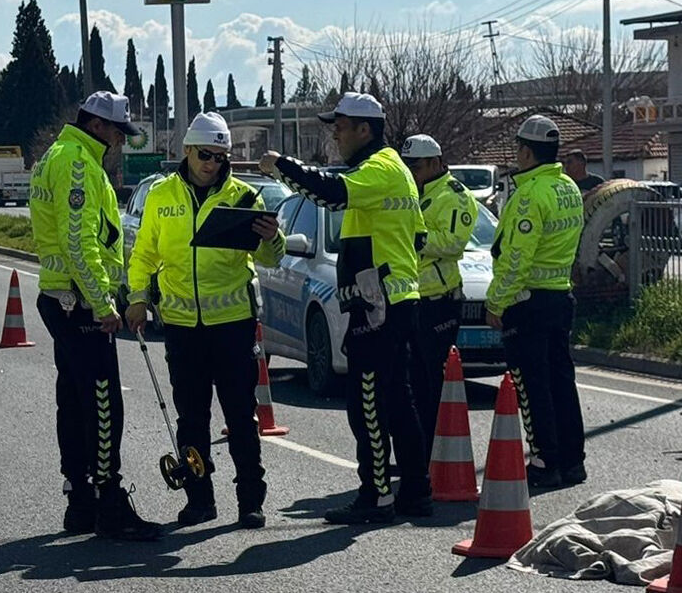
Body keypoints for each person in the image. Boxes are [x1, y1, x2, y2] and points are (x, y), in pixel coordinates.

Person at [262, 92, 429, 523]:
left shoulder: (379, 170)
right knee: (397, 400)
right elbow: (419, 238)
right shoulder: (396, 173)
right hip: (395, 299)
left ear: (365, 129)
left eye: (340, 125)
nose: (334, 134)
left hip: (379, 304)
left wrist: (282, 166)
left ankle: (376, 495)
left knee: (368, 401)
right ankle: (414, 491)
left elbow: (330, 193)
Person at [126, 111, 284, 527]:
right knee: (191, 418)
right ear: (188, 151)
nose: (212, 163)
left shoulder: (245, 197)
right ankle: (200, 499)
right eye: (205, 155)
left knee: (239, 416)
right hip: (181, 327)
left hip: (232, 325)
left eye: (219, 156)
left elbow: (270, 257)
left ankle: (251, 500)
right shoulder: (162, 196)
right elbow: (144, 254)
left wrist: (272, 238)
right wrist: (138, 299)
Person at [29, 91, 161, 540]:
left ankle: (80, 500)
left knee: (73, 397)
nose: (120, 143)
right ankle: (109, 502)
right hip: (80, 302)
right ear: (99, 126)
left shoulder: (55, 154)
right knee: (104, 401)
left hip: (59, 295)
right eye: (118, 133)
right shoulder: (80, 163)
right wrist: (104, 305)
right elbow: (79, 241)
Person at [481, 114, 586, 492]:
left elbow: (515, 258)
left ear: (525, 152)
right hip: (560, 296)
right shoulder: (568, 188)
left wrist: (496, 302)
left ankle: (544, 461)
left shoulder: (528, 194)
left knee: (532, 385)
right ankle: (573, 461)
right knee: (562, 381)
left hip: (527, 303)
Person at [399, 133, 477, 448]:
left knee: (434, 383)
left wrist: (414, 237)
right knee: (413, 382)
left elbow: (452, 243)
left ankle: (436, 452)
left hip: (439, 302)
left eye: (415, 167)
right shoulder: (413, 190)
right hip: (412, 297)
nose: (411, 173)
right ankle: (420, 452)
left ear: (435, 162)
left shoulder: (454, 195)